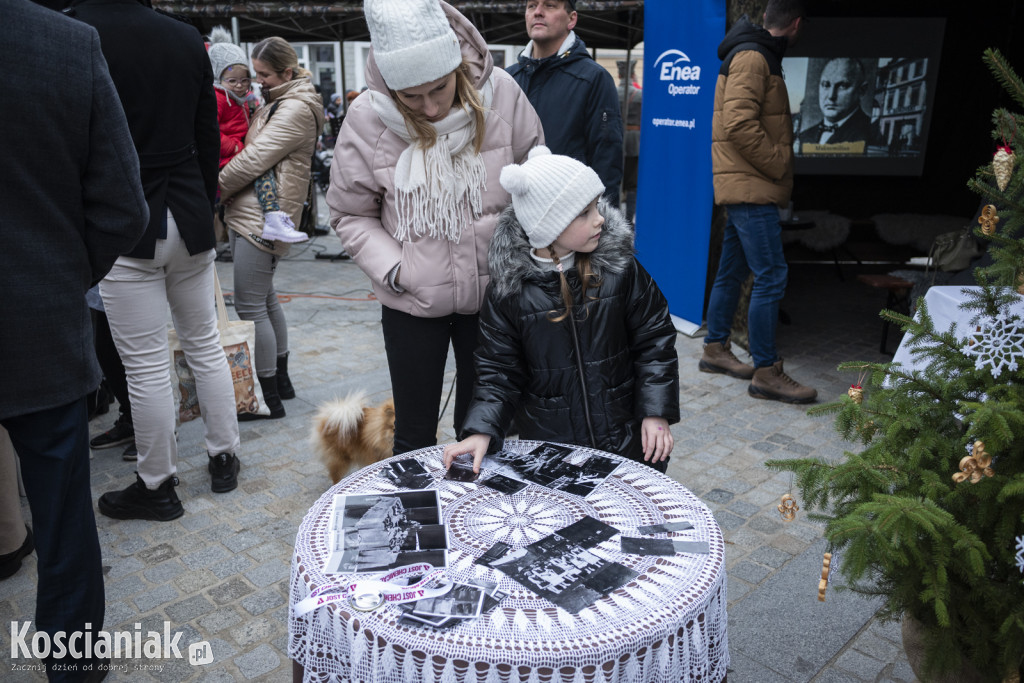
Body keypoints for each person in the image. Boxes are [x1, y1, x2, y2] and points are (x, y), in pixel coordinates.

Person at [2, 0, 147, 676]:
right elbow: (123, 204)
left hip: (43, 314)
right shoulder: (63, 43)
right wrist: (63, 277)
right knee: (61, 515)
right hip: (40, 320)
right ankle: (75, 661)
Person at [327, 0, 543, 455]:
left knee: (484, 427)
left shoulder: (502, 94)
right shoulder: (367, 117)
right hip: (412, 301)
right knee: (412, 432)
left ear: (457, 67)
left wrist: (521, 262)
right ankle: (417, 520)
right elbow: (350, 213)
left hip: (494, 297)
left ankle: (473, 520)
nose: (428, 107)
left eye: (440, 89)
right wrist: (397, 270)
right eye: (410, 96)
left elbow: (537, 183)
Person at [72, 0, 243, 521]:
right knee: (204, 344)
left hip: (125, 218)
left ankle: (157, 485)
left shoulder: (79, 30)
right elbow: (207, 134)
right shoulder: (185, 36)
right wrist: (206, 200)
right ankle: (224, 456)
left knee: (146, 365)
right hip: (187, 210)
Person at [442, 147, 679, 475]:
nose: (600, 218)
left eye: (596, 205)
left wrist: (655, 411)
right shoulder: (509, 292)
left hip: (627, 442)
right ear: (548, 226)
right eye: (584, 213)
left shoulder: (619, 269)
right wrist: (482, 429)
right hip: (554, 451)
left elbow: (654, 340)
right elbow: (498, 371)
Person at [702, 0, 818, 404]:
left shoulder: (755, 51)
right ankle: (767, 370)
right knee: (771, 274)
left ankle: (715, 349)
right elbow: (738, 123)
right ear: (796, 24)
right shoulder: (754, 56)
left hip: (745, 186)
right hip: (752, 186)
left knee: (731, 272)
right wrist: (779, 162)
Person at [219, 37, 325, 419]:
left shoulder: (294, 107)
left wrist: (215, 188)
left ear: (286, 72)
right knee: (264, 299)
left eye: (264, 74)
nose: (257, 80)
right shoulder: (283, 101)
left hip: (260, 216)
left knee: (250, 304)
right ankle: (280, 383)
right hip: (257, 212)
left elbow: (253, 160)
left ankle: (266, 397)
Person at [508, 0, 623, 205]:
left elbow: (606, 159)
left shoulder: (594, 78)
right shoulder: (508, 79)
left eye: (550, 5)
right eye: (532, 6)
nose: (538, 12)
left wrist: (603, 227)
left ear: (572, 19)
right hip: (511, 215)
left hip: (568, 216)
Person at [209, 28, 310, 245]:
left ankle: (273, 217)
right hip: (230, 156)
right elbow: (209, 132)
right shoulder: (219, 99)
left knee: (261, 173)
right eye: (232, 80)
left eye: (247, 79)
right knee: (261, 173)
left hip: (238, 161)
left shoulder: (243, 100)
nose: (245, 84)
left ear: (287, 73)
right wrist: (234, 148)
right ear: (219, 78)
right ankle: (272, 217)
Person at [797, 57, 876, 147]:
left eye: (843, 86)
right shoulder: (805, 136)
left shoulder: (871, 132)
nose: (831, 96)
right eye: (826, 85)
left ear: (862, 90)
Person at [617, 59, 642, 221]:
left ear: (619, 74)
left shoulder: (612, 91)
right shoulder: (640, 94)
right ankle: (628, 219)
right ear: (633, 74)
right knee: (633, 183)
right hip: (635, 141)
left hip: (617, 139)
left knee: (617, 179)